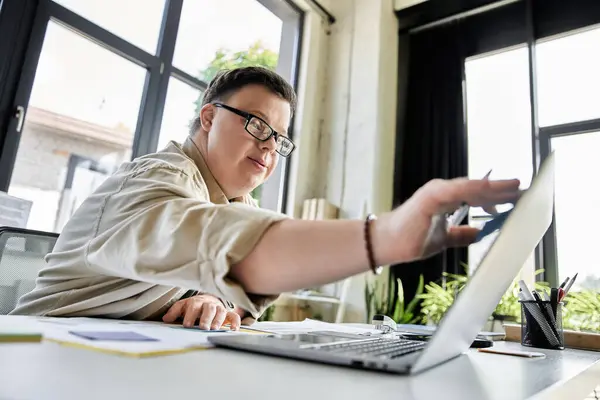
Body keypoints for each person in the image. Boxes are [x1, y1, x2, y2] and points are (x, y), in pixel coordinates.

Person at [11, 66, 520, 330]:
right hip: (37, 359)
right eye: (256, 125)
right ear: (208, 119)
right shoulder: (154, 179)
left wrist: (212, 299)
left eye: (279, 139)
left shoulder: (237, 203)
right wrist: (384, 235)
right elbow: (209, 240)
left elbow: (237, 293)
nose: (268, 147)